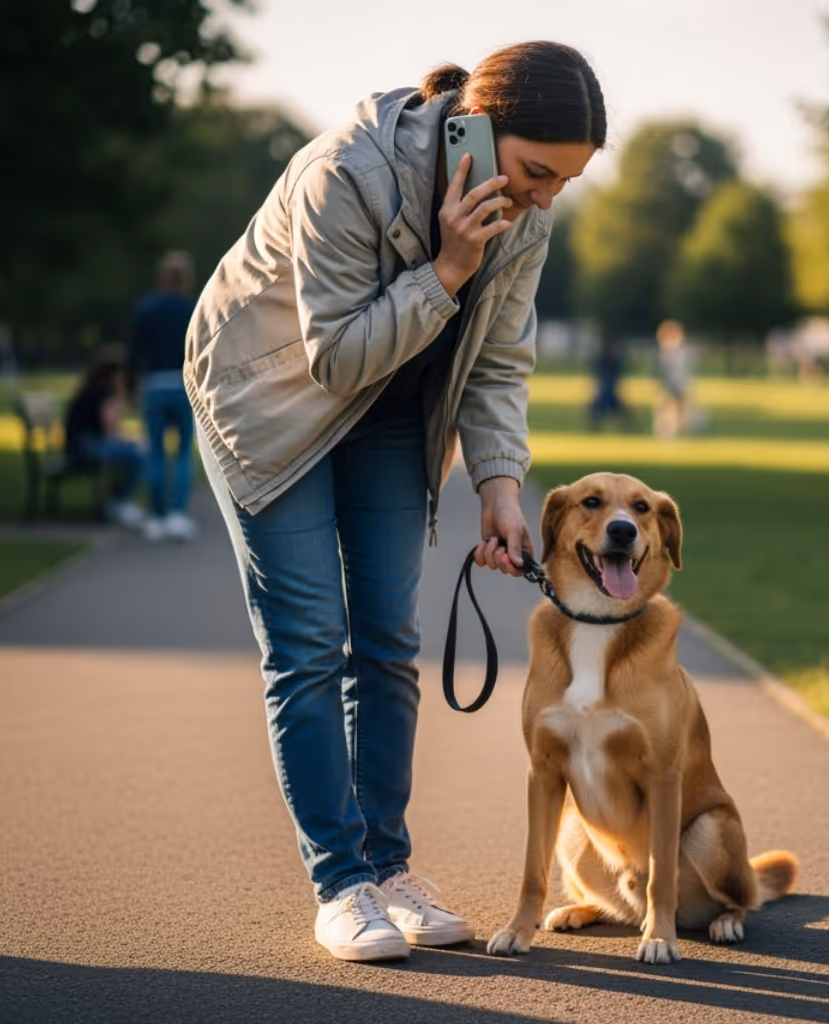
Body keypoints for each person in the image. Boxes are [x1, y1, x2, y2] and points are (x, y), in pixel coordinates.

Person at [184, 42, 604, 963]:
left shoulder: (523, 216)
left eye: (565, 183)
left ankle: (388, 867)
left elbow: (500, 359)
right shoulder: (347, 173)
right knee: (308, 645)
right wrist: (449, 267)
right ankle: (341, 884)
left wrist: (499, 484)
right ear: (476, 127)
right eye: (538, 172)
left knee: (388, 640)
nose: (544, 200)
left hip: (390, 408)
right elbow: (335, 360)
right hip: (269, 404)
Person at [128, 251, 199, 542]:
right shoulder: (192, 308)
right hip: (184, 385)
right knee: (183, 452)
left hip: (154, 385)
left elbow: (134, 353)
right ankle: (177, 514)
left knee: (155, 451)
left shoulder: (147, 309)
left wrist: (130, 387)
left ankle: (157, 516)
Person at [64, 348, 145, 529]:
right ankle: (118, 502)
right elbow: (111, 432)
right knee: (136, 454)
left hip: (79, 445)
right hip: (85, 447)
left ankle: (118, 501)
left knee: (133, 449)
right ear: (113, 376)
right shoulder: (105, 395)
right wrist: (133, 441)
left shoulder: (91, 390)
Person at [654, 319, 693, 439]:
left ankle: (678, 427)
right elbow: (661, 370)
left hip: (678, 383)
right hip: (668, 383)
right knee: (665, 406)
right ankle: (664, 429)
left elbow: (684, 369)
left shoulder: (681, 351)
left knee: (678, 406)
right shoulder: (663, 351)